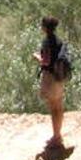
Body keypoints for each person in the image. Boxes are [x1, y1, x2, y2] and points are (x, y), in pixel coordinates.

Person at [32, 15, 66, 148]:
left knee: (53, 108)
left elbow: (45, 61)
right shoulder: (58, 40)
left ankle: (56, 137)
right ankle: (58, 134)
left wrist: (36, 56)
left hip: (50, 77)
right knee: (59, 106)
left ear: (45, 27)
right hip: (59, 76)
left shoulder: (47, 41)